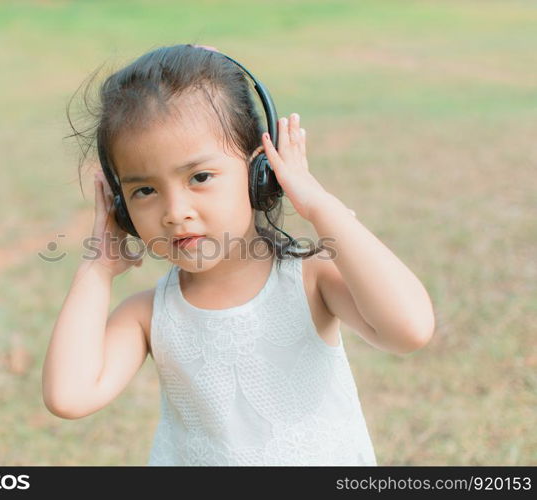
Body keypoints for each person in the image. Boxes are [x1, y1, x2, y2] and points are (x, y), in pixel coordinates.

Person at [42, 44, 435, 466]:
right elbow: (69, 395)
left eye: (200, 176)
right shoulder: (148, 315)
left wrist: (320, 205)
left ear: (259, 174)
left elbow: (408, 330)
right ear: (122, 206)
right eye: (144, 190)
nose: (176, 213)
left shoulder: (309, 280)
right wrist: (99, 267)